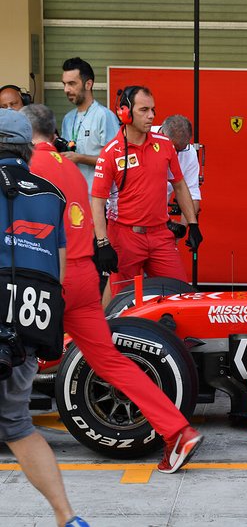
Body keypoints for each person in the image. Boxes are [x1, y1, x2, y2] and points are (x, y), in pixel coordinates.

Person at [23, 104, 204, 475]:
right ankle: (177, 431)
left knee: (15, 352)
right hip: (84, 278)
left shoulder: (25, 169)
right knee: (110, 361)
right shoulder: (70, 169)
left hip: (47, 280)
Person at [0, 108, 89, 527]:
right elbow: (59, 268)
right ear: (27, 150)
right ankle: (66, 517)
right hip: (32, 322)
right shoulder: (51, 195)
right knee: (16, 424)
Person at [91, 86, 202, 295]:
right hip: (125, 236)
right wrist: (103, 243)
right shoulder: (110, 153)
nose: (151, 116)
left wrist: (193, 224)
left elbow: (180, 185)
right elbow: (97, 201)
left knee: (180, 294)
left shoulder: (166, 145)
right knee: (121, 299)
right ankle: (108, 327)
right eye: (144, 110)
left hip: (160, 235)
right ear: (124, 112)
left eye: (153, 110)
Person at [60, 58, 120, 190]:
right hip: (74, 194)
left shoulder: (104, 115)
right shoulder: (68, 118)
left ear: (88, 84)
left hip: (99, 197)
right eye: (64, 84)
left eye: (71, 83)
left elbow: (117, 161)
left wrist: (80, 158)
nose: (66, 89)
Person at [158, 115, 202, 217]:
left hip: (159, 219)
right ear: (163, 134)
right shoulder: (142, 138)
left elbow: (192, 195)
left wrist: (188, 226)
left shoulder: (189, 152)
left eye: (180, 150)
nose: (176, 154)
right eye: (174, 149)